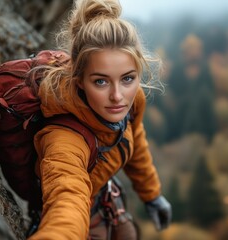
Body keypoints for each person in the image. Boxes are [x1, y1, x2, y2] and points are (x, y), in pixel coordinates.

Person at [27, 0, 172, 239]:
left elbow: (134, 139)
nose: (117, 96)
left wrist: (152, 195)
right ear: (79, 81)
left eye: (127, 78)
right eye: (101, 81)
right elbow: (67, 200)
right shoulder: (63, 140)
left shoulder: (132, 99)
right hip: (82, 215)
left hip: (104, 196)